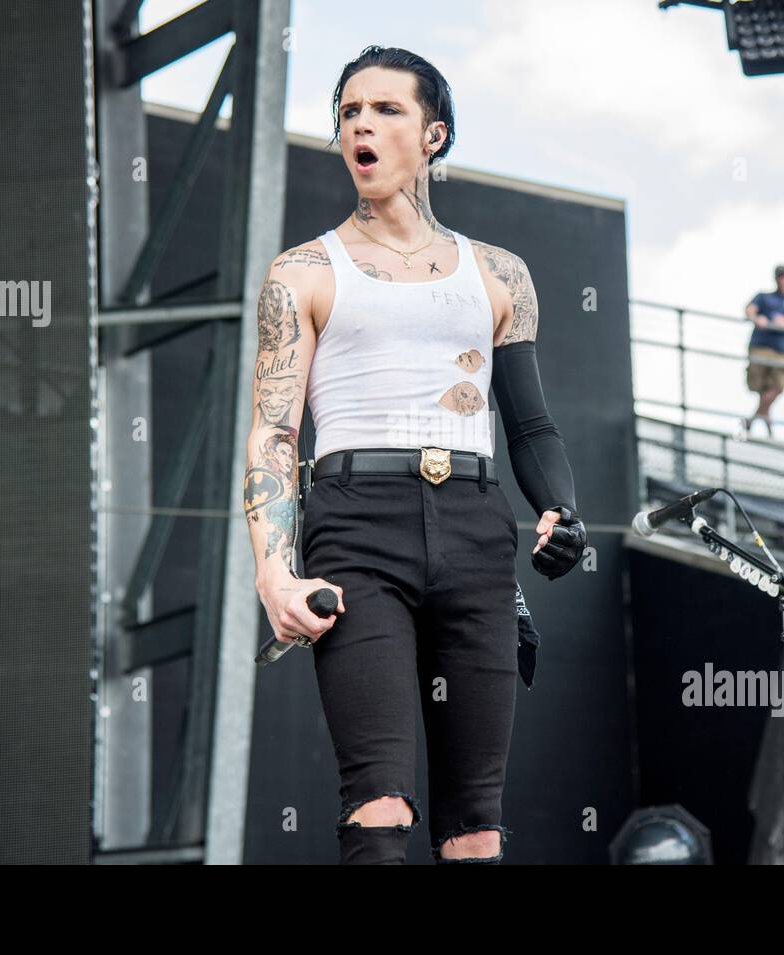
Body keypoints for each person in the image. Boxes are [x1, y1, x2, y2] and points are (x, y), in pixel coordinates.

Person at [242, 46, 587, 865]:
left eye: (385, 109)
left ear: (433, 135)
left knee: (474, 828)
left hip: (474, 527)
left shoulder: (500, 274)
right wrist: (274, 570)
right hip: (357, 528)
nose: (360, 123)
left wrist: (562, 511)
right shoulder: (303, 272)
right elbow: (273, 433)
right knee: (380, 800)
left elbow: (531, 426)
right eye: (348, 111)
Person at [740, 264, 784, 439]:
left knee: (778, 386)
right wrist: (758, 318)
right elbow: (749, 311)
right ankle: (764, 417)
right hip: (760, 347)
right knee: (762, 386)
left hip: (781, 350)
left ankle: (753, 419)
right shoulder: (764, 297)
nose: (781, 279)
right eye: (779, 276)